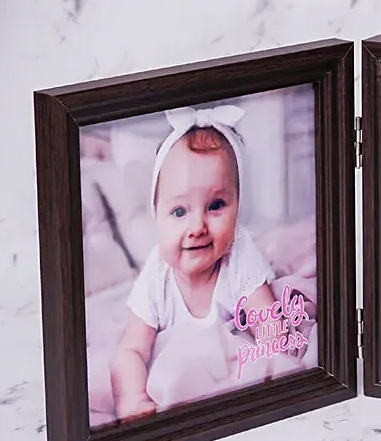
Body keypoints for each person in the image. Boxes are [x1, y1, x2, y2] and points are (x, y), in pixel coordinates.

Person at [109, 105, 294, 421]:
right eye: (179, 212)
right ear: (157, 215)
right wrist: (133, 398)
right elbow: (132, 350)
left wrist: (276, 377)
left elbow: (270, 329)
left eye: (216, 206)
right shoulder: (158, 275)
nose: (197, 226)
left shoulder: (238, 255)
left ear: (238, 207)